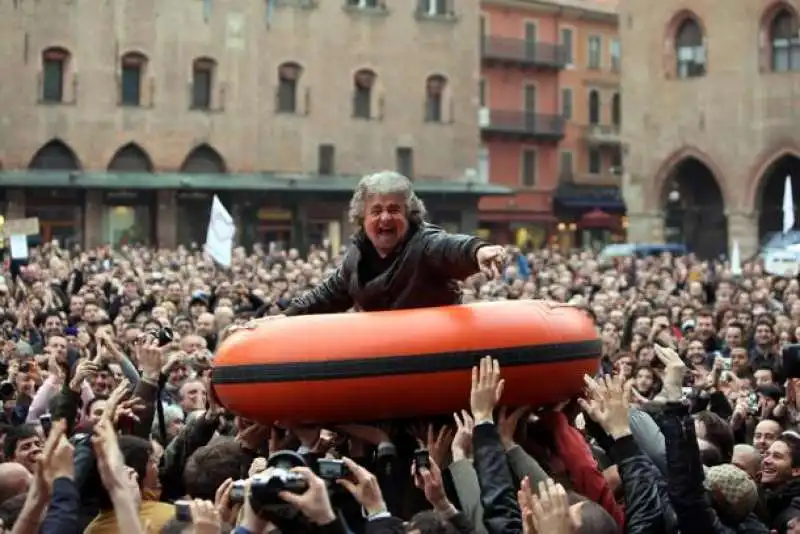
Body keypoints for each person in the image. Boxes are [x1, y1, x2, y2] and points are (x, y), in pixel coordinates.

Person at [274, 170, 507, 316]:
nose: (385, 218)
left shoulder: (424, 244)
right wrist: (285, 315)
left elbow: (450, 248)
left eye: (394, 210)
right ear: (362, 218)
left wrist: (478, 250)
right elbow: (328, 295)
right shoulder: (355, 258)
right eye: (376, 211)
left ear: (409, 215)